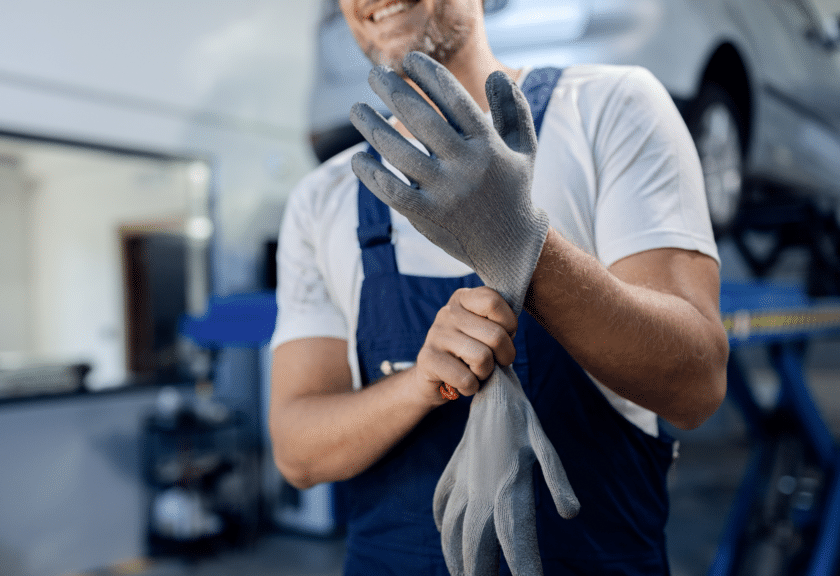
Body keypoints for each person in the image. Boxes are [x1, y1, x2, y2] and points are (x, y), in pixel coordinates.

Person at [269, 0, 730, 574]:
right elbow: (297, 451)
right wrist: (423, 384)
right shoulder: (323, 200)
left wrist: (524, 246)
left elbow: (696, 383)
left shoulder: (610, 110)